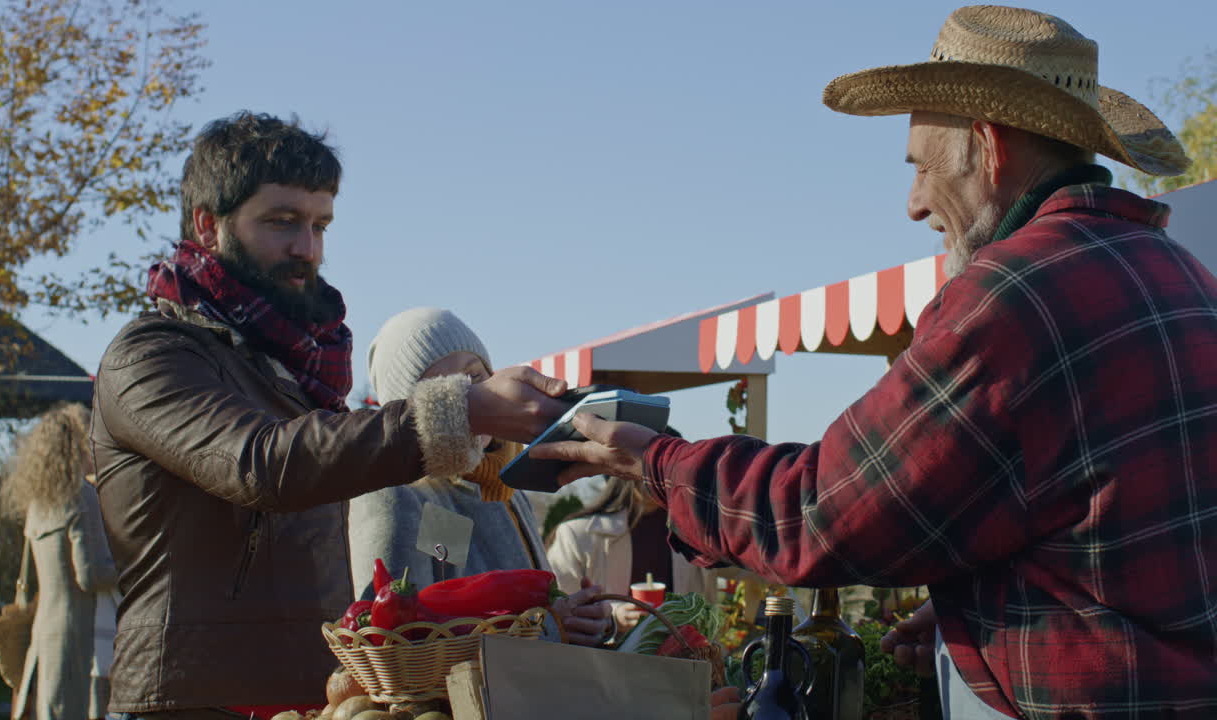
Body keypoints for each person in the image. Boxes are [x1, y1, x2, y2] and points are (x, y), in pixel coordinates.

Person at [533, 6, 1216, 718]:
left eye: (921, 165)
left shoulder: (1011, 296)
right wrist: (979, 607)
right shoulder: (1184, 276)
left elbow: (819, 514)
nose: (915, 204)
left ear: (987, 147)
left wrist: (655, 462)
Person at [91, 112, 568, 719]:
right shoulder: (151, 355)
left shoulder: (294, 371)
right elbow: (260, 462)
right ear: (208, 227)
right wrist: (461, 410)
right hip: (190, 701)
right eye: (282, 222)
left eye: (320, 225)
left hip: (309, 698)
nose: (307, 248)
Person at [349, 307, 612, 645]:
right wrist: (550, 627)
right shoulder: (401, 495)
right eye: (442, 392)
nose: (468, 399)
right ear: (412, 411)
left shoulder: (509, 488)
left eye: (474, 377)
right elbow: (402, 643)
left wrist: (581, 619)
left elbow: (529, 611)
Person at [2, 403, 117, 720]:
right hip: (76, 629)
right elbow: (90, 576)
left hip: (43, 629)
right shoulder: (82, 496)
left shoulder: (38, 501)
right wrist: (136, 569)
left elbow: (27, 576)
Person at [547, 467, 718, 636]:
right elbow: (560, 606)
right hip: (604, 659)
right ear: (624, 471)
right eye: (658, 468)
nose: (666, 479)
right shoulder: (577, 534)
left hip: (681, 656)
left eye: (672, 469)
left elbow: (738, 568)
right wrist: (614, 616)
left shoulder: (697, 533)